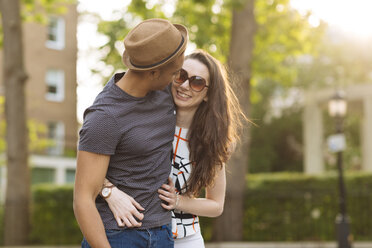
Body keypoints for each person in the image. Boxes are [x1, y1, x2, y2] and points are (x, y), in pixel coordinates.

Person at [104, 50, 246, 247]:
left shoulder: (213, 142)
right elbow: (92, 167)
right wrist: (109, 192)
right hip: (135, 235)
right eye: (181, 75)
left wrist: (177, 201)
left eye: (196, 82)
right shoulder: (142, 123)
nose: (185, 85)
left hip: (188, 240)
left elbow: (216, 205)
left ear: (208, 94)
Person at [73, 18, 188, 248]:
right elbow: (82, 198)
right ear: (154, 72)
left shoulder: (164, 90)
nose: (178, 80)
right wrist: (107, 190)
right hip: (117, 236)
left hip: (163, 232)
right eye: (176, 73)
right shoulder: (105, 117)